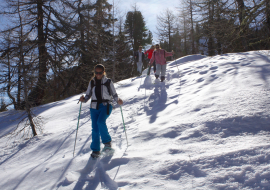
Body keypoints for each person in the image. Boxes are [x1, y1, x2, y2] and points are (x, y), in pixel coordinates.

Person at [79, 64, 123, 158]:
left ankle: (107, 143)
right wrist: (83, 99)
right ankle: (96, 150)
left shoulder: (108, 81)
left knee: (100, 122)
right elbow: (87, 95)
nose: (98, 74)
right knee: (95, 129)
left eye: (100, 72)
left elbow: (114, 94)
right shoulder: (92, 82)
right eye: (96, 72)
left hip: (106, 106)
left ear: (103, 72)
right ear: (94, 72)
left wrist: (118, 100)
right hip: (94, 107)